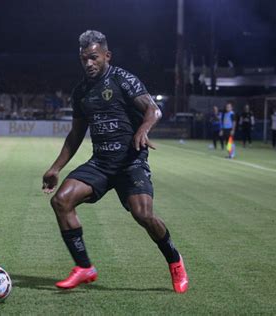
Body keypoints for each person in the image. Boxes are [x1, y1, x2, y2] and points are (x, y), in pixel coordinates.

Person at [42, 30, 188, 293]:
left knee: (143, 215)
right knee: (61, 200)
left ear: (106, 56)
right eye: (84, 59)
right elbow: (75, 134)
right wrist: (55, 168)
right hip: (101, 163)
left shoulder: (123, 79)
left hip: (130, 162)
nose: (89, 64)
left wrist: (143, 129)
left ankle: (175, 260)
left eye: (94, 58)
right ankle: (84, 267)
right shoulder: (81, 92)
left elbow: (153, 109)